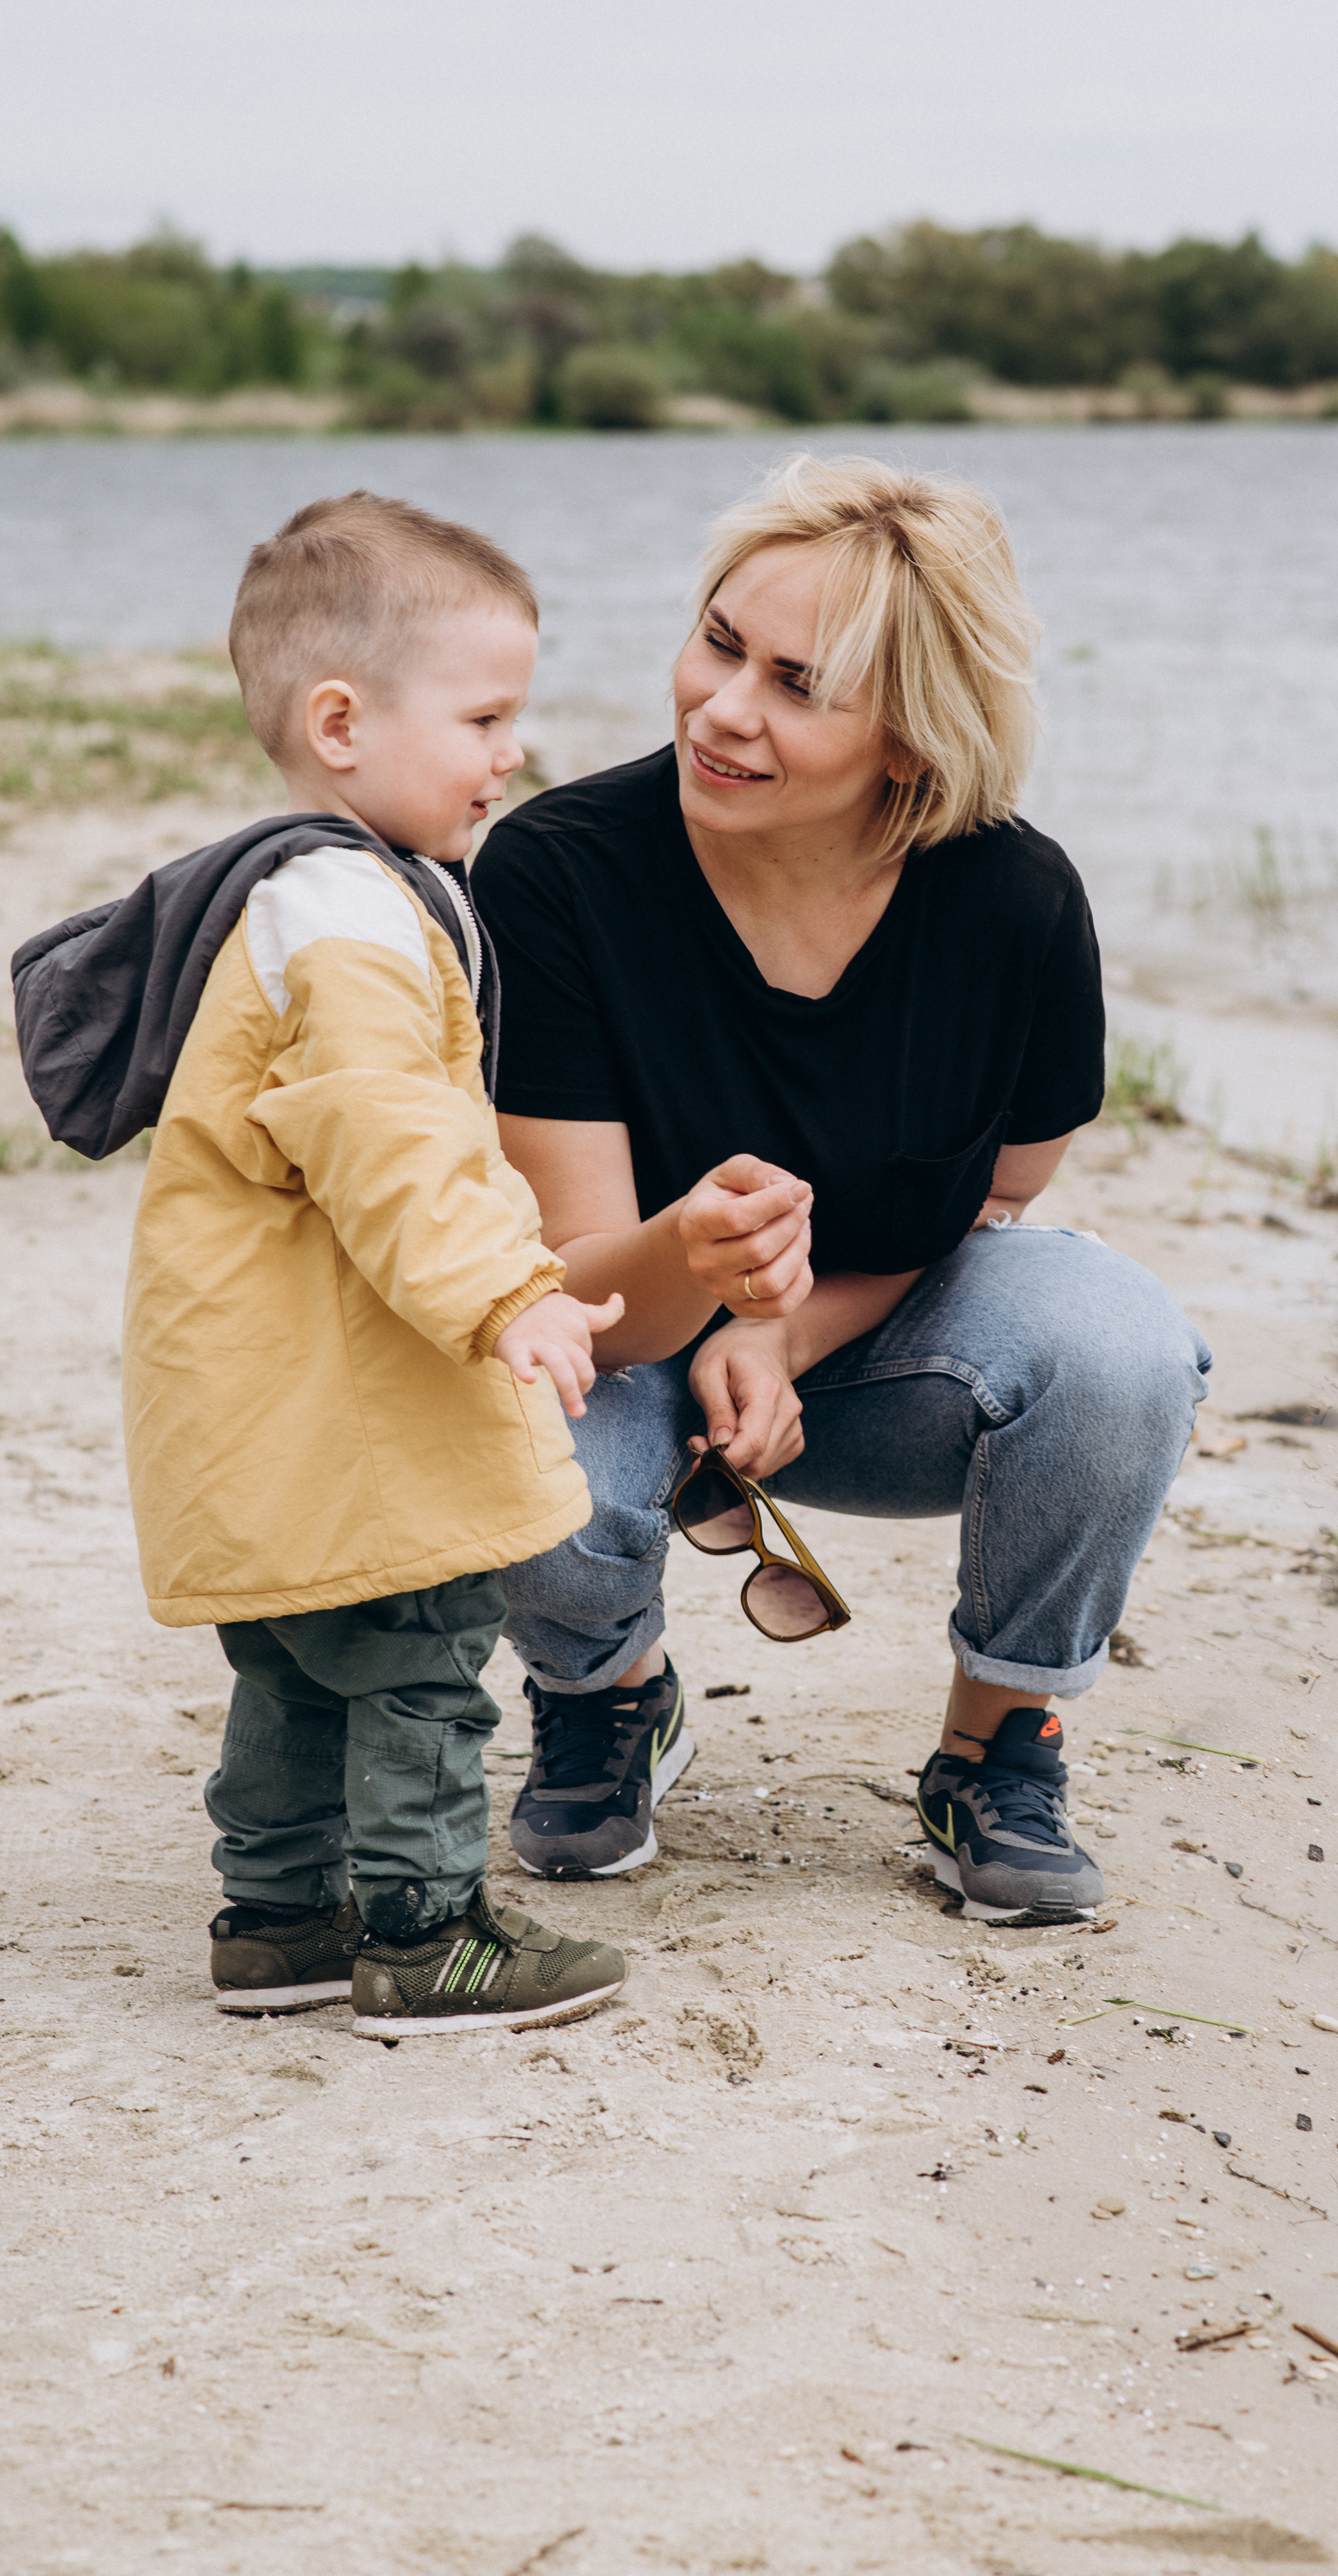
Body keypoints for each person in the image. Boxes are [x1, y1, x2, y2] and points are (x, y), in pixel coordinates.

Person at [474, 454, 1211, 1924]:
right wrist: (702, 1262)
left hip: (866, 1364)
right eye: (720, 640)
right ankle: (606, 1694)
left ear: (914, 739)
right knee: (498, 1400)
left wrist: (785, 1328)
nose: (722, 705)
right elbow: (582, 1295)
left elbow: (989, 1206)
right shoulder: (556, 872)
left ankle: (997, 1749)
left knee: (1120, 1344)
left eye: (799, 685)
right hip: (611, 1341)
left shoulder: (1013, 904)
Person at [119, 492, 630, 2034]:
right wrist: (510, 1290)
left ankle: (276, 1920)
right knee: (416, 1644)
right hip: (341, 1399)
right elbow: (390, 1134)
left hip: (258, 1387)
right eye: (484, 716)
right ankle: (423, 1932)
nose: (510, 752)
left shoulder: (289, 894)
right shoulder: (346, 911)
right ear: (342, 722)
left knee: (292, 1653)